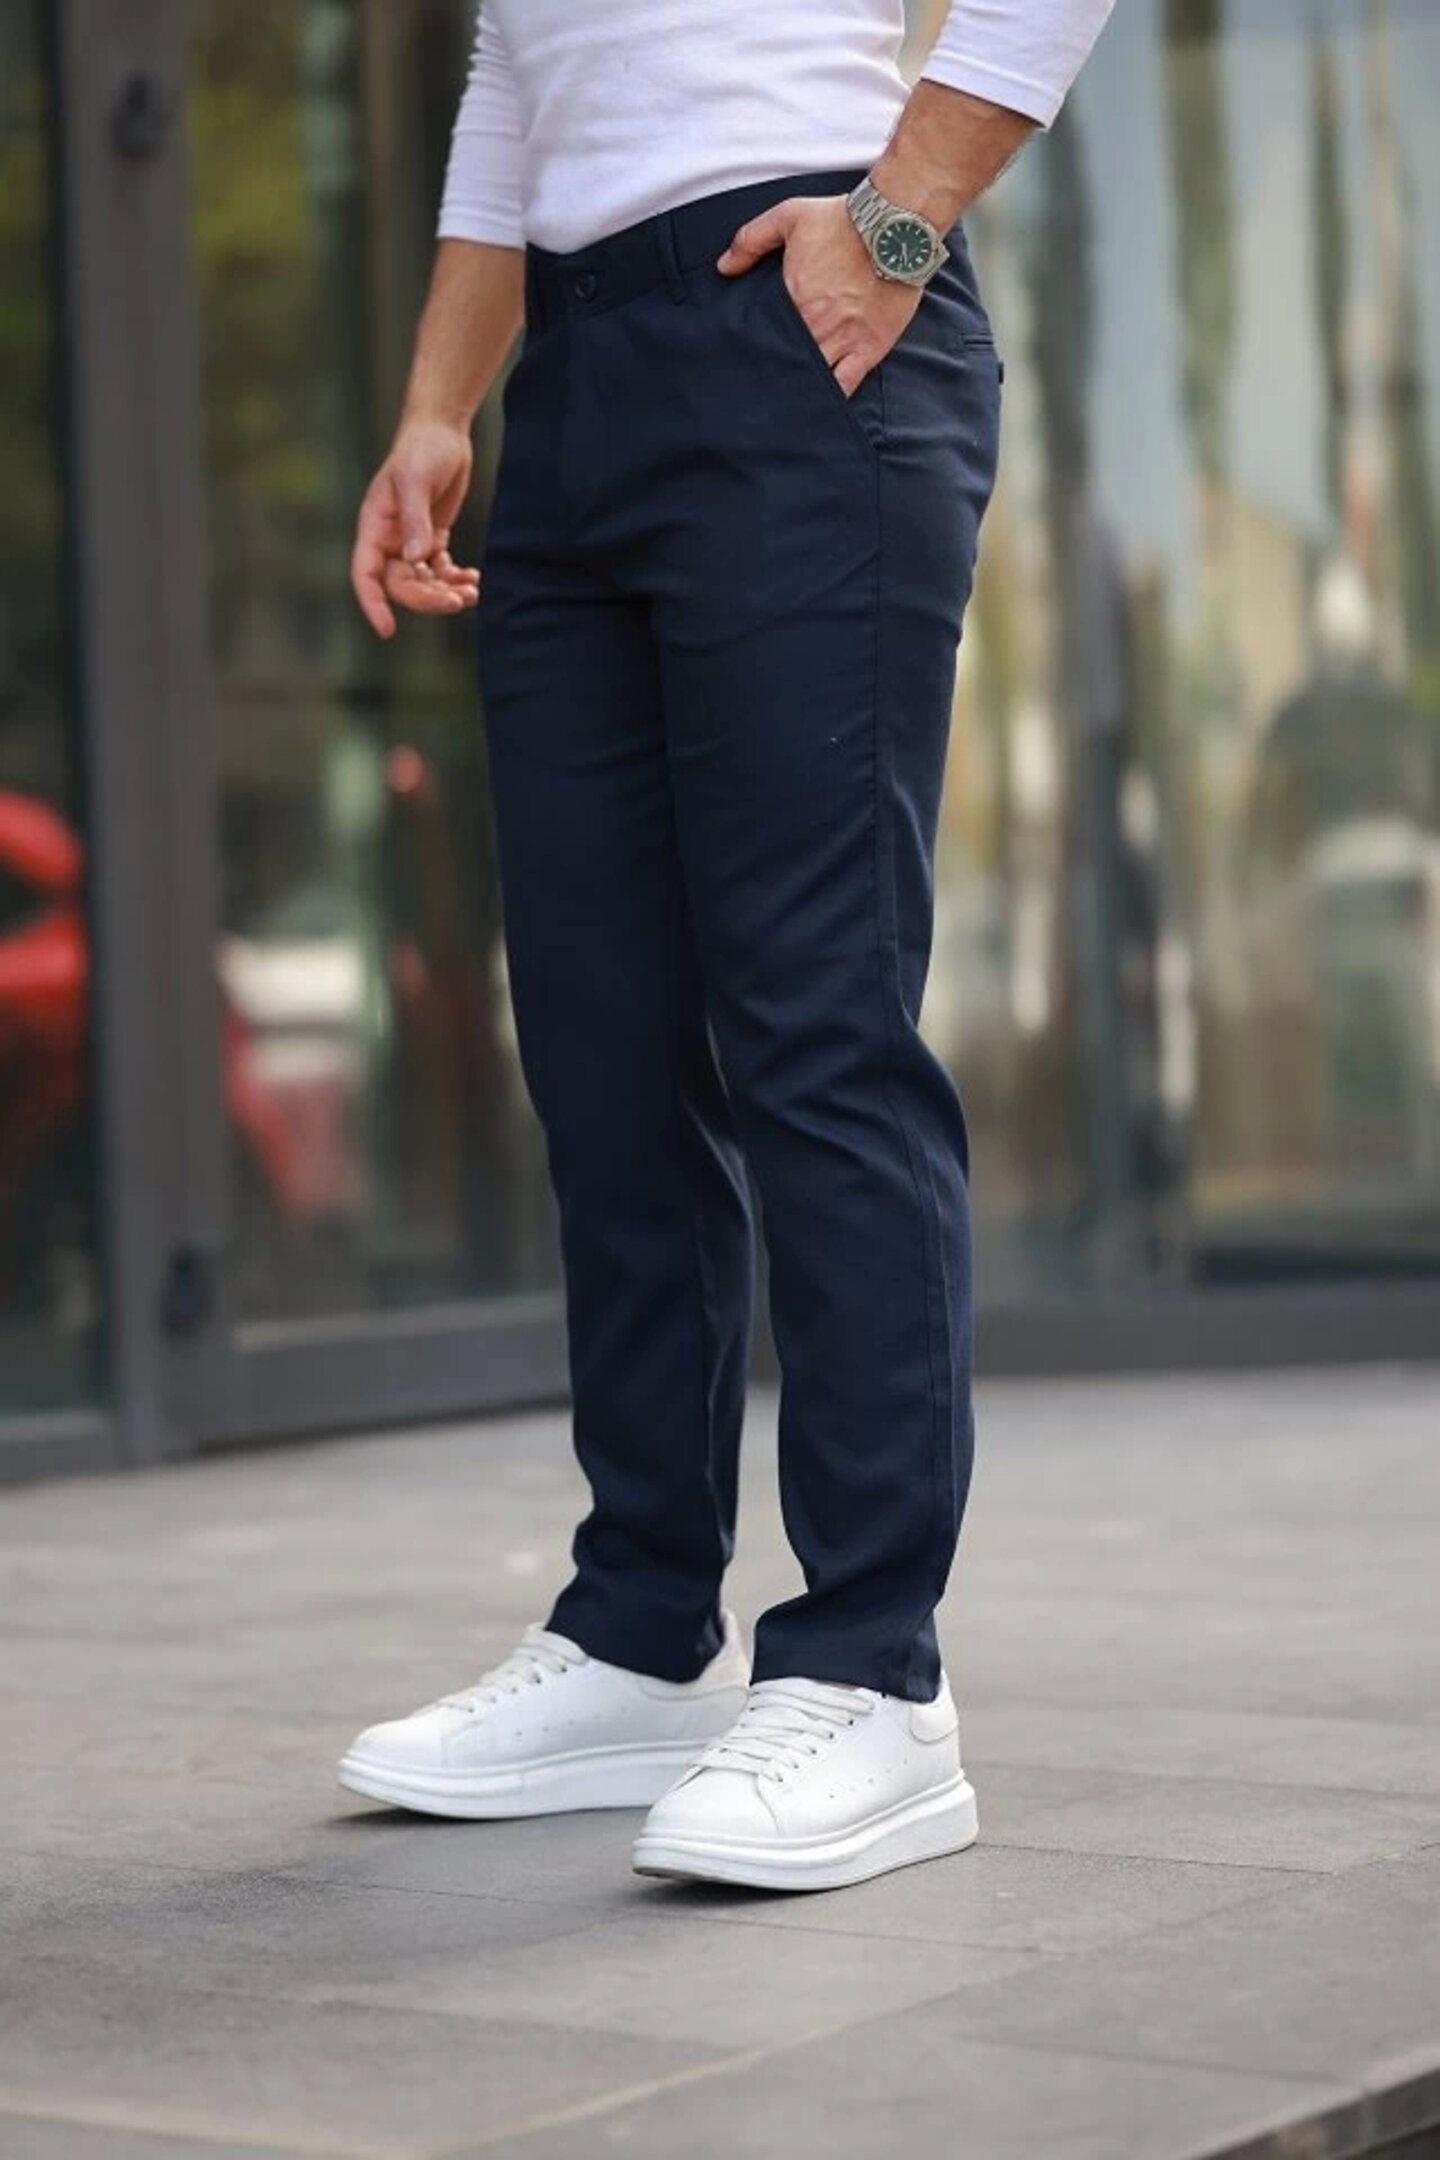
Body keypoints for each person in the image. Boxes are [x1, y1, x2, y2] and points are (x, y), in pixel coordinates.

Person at [340, 0, 1114, 1893]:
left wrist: (901, 220)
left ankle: (872, 1671)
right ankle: (635, 1629)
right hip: (579, 376)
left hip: (801, 324)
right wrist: (444, 400)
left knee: (815, 1026)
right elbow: (514, 67)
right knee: (602, 1047)